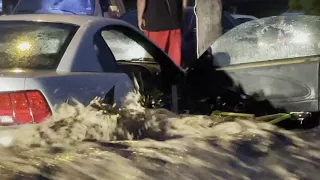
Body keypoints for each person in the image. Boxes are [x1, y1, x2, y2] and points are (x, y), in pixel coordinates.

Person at [137, 0, 188, 66]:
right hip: (175, 22)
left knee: (155, 62)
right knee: (175, 62)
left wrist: (139, 18)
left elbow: (141, 1)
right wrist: (182, 13)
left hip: (155, 23)